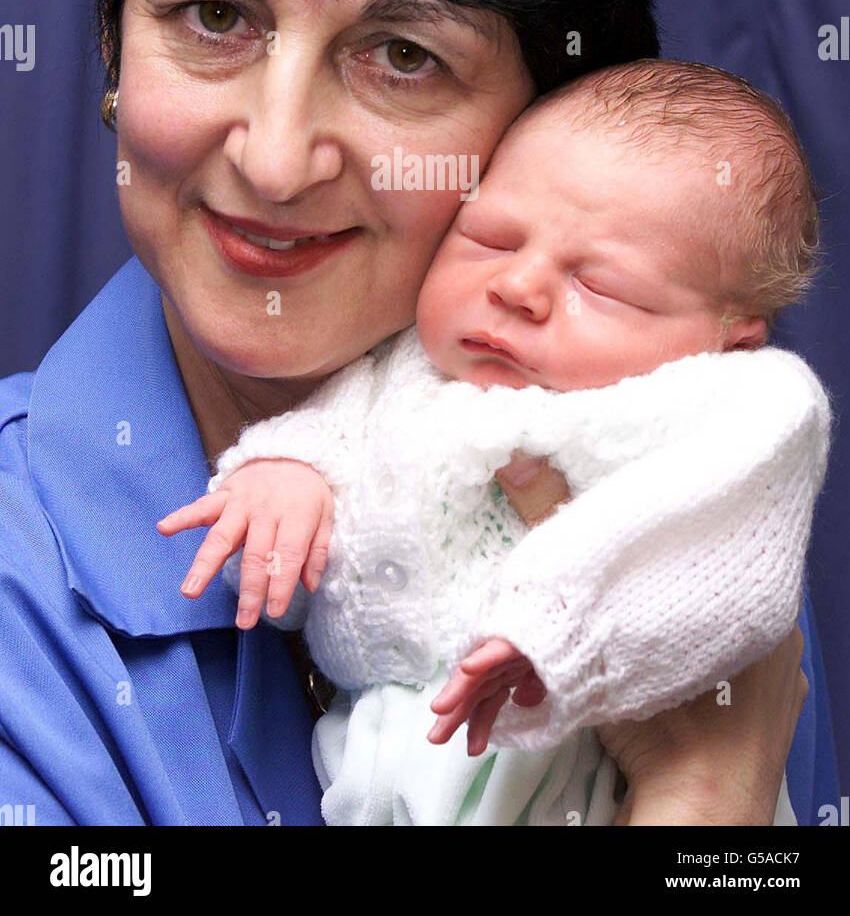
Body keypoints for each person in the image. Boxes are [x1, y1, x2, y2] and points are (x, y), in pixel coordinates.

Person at [0, 0, 838, 825]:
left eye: (402, 56)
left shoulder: (671, 478)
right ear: (114, 49)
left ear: (551, 110)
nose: (276, 157)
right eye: (213, 16)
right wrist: (704, 788)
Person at [160, 60, 831, 826]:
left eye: (600, 285)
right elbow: (331, 440)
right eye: (487, 239)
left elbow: (733, 570)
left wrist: (564, 635)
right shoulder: (404, 366)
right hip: (384, 760)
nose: (517, 286)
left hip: (576, 758)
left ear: (728, 343)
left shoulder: (739, 404)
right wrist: (286, 476)